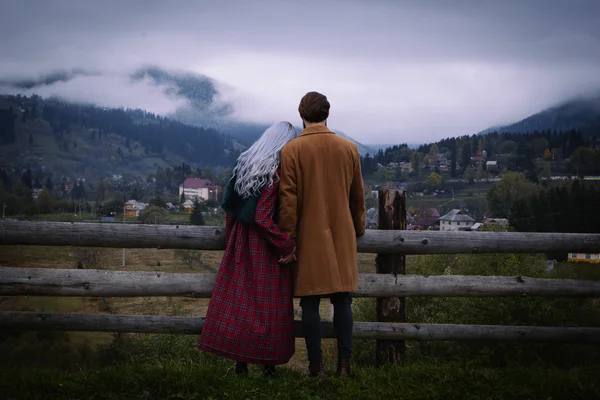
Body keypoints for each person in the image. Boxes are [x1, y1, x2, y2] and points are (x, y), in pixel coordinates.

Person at [198, 121, 299, 378]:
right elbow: (263, 218)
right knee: (269, 304)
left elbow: (230, 208)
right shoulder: (273, 172)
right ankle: (269, 367)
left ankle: (240, 364)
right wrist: (286, 244)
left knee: (240, 302)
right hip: (264, 244)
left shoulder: (243, 164)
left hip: (240, 239)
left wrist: (232, 240)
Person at [278, 92, 366, 377]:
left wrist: (287, 237)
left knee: (310, 301)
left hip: (308, 234)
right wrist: (359, 228)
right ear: (328, 114)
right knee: (343, 300)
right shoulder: (349, 148)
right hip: (343, 232)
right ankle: (344, 366)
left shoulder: (291, 151)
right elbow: (358, 198)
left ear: (301, 115)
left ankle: (316, 367)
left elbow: (288, 200)